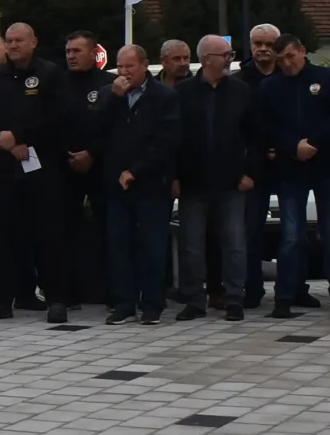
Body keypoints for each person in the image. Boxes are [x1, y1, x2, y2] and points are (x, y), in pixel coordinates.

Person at [258, 35, 330, 319]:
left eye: (290, 56)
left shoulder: (328, 78)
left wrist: (314, 143)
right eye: (281, 60)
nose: (287, 64)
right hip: (291, 169)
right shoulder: (270, 86)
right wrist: (292, 147)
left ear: (302, 51)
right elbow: (267, 126)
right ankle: (284, 298)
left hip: (327, 166)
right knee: (290, 236)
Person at [0, 23, 58, 320]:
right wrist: (7, 142)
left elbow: (56, 118)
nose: (13, 45)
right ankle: (2, 300)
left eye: (19, 40)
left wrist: (20, 137)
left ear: (34, 41)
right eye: (9, 41)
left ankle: (56, 298)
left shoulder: (50, 74)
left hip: (41, 165)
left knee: (47, 234)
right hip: (4, 166)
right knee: (3, 235)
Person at [173, 34, 259, 321]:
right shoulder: (183, 92)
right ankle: (195, 300)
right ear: (208, 58)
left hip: (232, 181)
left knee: (234, 243)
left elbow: (255, 136)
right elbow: (172, 138)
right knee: (192, 245)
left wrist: (250, 172)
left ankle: (234, 298)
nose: (229, 59)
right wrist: (174, 176)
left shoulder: (241, 91)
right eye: (225, 54)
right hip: (193, 181)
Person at [100, 44, 179, 324]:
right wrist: (115, 100)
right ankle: (124, 303)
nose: (123, 72)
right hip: (116, 184)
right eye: (120, 67)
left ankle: (152, 304)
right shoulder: (111, 94)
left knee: (152, 245)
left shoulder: (164, 96)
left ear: (145, 66)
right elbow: (99, 131)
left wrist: (136, 170)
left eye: (129, 66)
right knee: (119, 244)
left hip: (151, 183)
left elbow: (165, 141)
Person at [56, 30, 116, 311]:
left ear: (94, 54)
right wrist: (68, 153)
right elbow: (50, 123)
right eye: (68, 51)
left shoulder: (108, 84)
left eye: (77, 51)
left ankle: (113, 292)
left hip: (100, 166)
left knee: (108, 229)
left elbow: (113, 127)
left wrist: (92, 153)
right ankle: (67, 294)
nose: (71, 56)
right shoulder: (57, 83)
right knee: (65, 231)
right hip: (66, 167)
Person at [236, 24, 281, 308]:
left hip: (288, 165)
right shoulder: (240, 82)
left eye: (268, 43)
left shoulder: (289, 76)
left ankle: (292, 288)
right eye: (257, 43)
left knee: (292, 232)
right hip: (253, 168)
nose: (263, 48)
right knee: (249, 230)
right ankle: (252, 289)